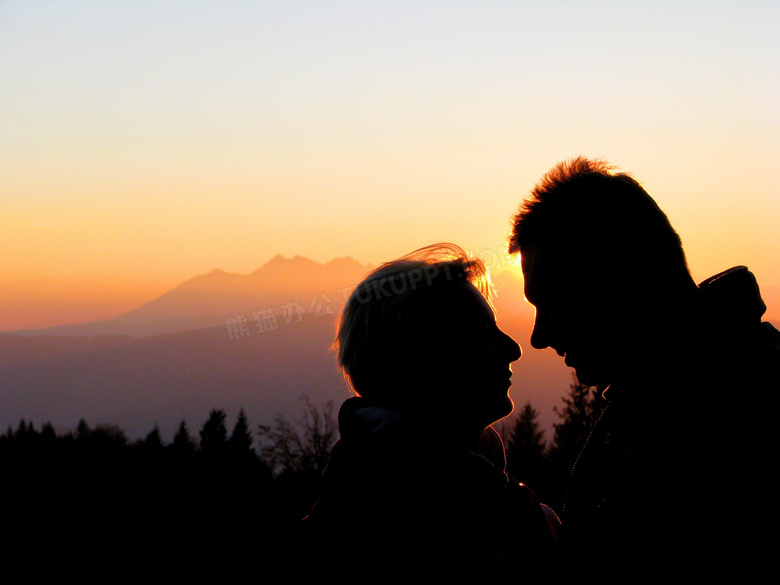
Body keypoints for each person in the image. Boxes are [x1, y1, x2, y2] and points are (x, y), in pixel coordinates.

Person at [507, 157, 780, 580]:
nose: (539, 337)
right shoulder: (652, 402)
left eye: (554, 301)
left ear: (619, 281)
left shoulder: (752, 410)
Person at [300, 243, 560, 580]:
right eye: (482, 334)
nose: (513, 349)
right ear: (418, 360)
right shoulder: (419, 536)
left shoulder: (484, 496)